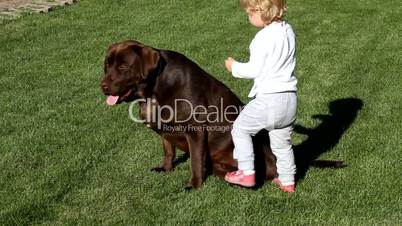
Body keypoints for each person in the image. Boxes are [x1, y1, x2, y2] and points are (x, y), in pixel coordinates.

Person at [224, 0, 297, 193]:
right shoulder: (288, 30)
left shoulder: (262, 38)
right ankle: (288, 181)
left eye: (250, 13)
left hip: (269, 101)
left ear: (261, 11)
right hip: (289, 100)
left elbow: (254, 69)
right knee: (282, 146)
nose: (248, 17)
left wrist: (234, 67)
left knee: (240, 129)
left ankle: (246, 172)